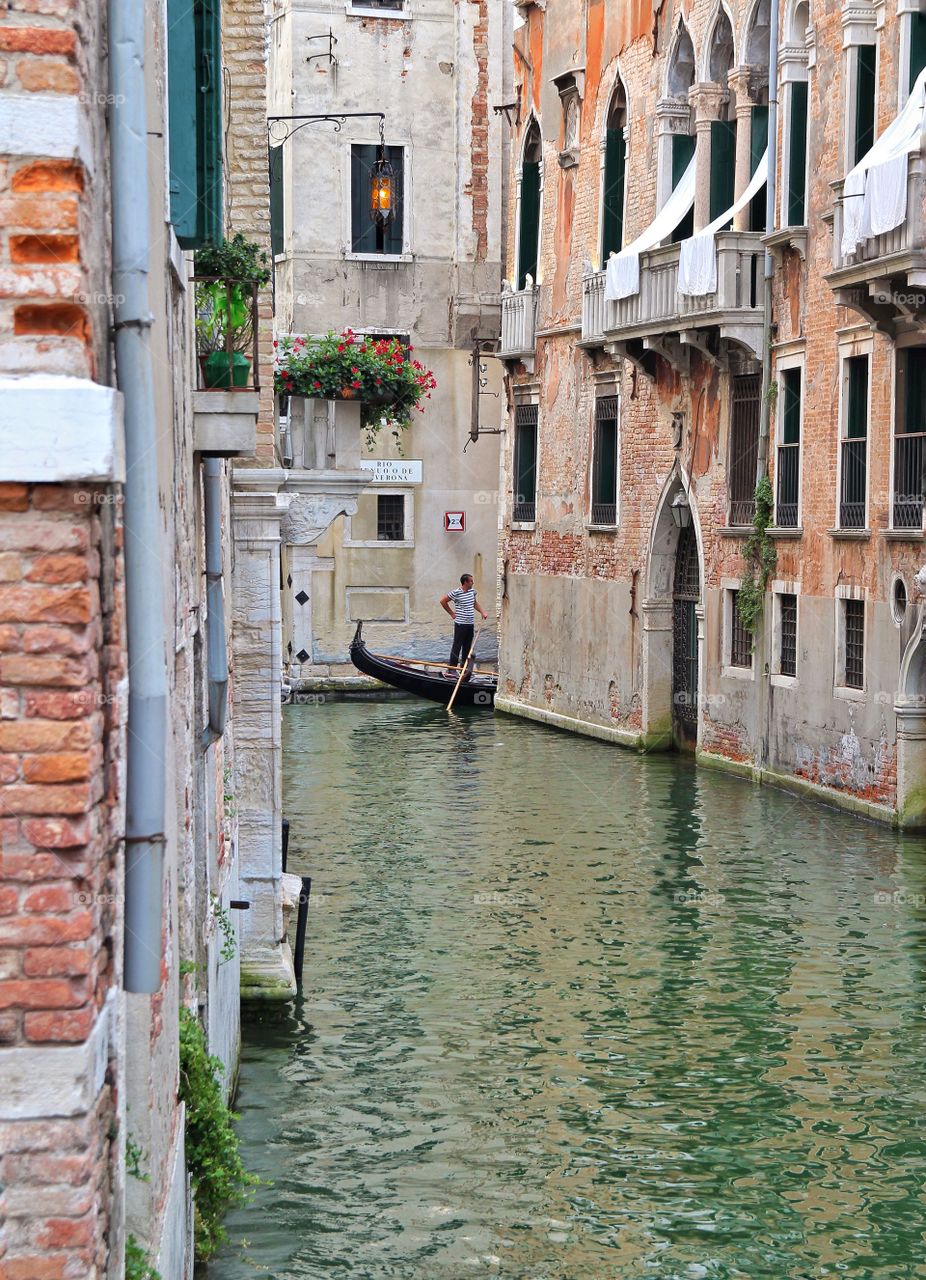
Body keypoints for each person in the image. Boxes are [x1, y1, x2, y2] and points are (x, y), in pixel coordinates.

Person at [440, 573, 488, 675]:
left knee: (467, 647)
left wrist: (482, 612)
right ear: (465, 582)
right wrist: (452, 613)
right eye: (471, 581)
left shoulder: (472, 592)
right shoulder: (456, 592)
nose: (473, 582)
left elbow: (474, 603)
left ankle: (463, 669)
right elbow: (443, 601)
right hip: (460, 624)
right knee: (457, 646)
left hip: (470, 624)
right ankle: (452, 669)